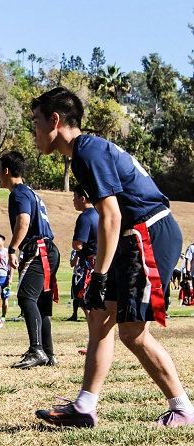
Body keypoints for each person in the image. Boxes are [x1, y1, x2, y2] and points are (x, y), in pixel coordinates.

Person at [29, 87, 194, 427]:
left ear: (55, 121)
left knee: (133, 332)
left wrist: (99, 277)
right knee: (99, 319)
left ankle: (183, 410)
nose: (33, 132)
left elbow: (112, 216)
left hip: (147, 234)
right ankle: (84, 407)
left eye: (35, 122)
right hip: (134, 236)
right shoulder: (87, 151)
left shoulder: (86, 153)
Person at [0, 151, 60, 369]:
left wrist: (12, 248)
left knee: (26, 298)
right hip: (48, 249)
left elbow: (23, 222)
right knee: (40, 303)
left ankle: (36, 350)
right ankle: (49, 353)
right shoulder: (31, 192)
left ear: (6, 170)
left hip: (38, 249)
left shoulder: (18, 194)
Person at [68, 185, 99, 322]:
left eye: (74, 198)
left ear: (83, 198)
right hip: (103, 260)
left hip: (89, 263)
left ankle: (94, 330)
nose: (73, 201)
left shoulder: (85, 217)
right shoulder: (100, 214)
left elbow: (78, 244)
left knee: (85, 299)